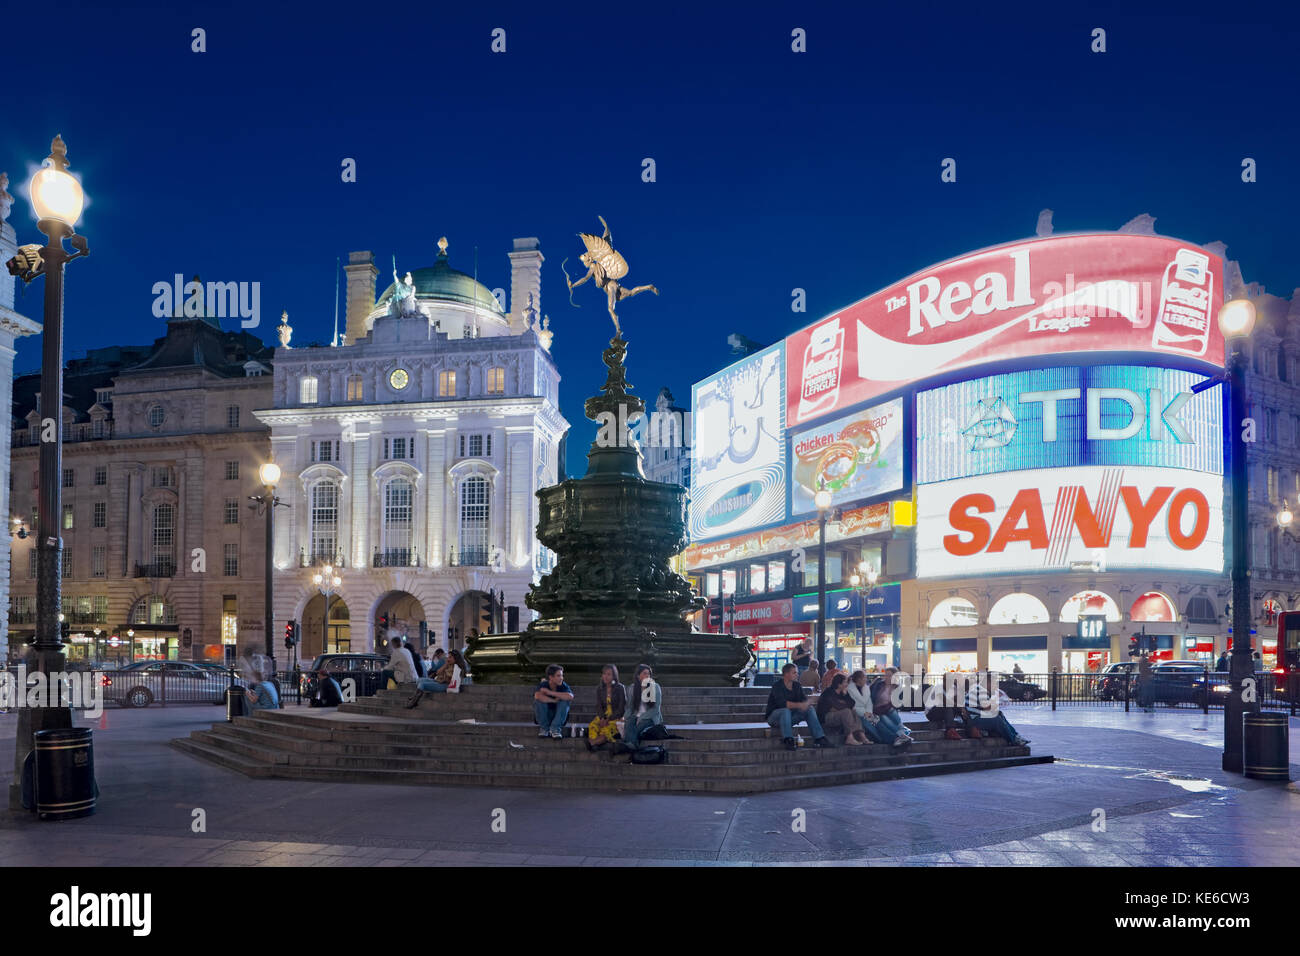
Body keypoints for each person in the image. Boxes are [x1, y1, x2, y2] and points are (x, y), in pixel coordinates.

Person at [765, 663, 831, 750]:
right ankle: (788, 739)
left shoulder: (797, 685)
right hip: (774, 718)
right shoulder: (777, 686)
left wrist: (809, 701)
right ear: (786, 674)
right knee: (785, 710)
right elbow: (783, 704)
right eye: (794, 673)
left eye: (797, 672)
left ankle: (819, 738)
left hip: (790, 717)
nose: (797, 674)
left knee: (809, 709)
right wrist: (801, 705)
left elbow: (803, 701)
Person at [965, 674, 1031, 746]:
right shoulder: (981, 691)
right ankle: (1014, 739)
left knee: (999, 715)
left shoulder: (979, 689)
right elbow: (987, 707)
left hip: (975, 717)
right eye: (994, 683)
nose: (995, 686)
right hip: (973, 719)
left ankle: (1016, 736)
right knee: (997, 720)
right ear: (988, 683)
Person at [848, 669, 908, 746]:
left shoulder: (865, 688)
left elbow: (869, 701)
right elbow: (852, 705)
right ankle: (895, 737)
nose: (866, 679)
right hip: (857, 714)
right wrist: (864, 713)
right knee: (869, 722)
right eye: (864, 677)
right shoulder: (850, 689)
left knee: (878, 722)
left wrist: (869, 712)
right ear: (859, 679)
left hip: (870, 712)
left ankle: (899, 735)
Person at [815, 672, 869, 745]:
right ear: (839, 684)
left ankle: (862, 736)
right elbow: (838, 706)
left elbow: (852, 703)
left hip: (837, 714)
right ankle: (849, 738)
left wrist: (845, 696)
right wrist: (842, 705)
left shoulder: (843, 692)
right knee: (846, 711)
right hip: (825, 718)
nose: (847, 684)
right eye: (845, 682)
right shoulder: (829, 692)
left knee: (853, 711)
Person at [623, 664, 665, 747]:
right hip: (636, 716)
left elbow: (655, 709)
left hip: (650, 718)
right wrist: (625, 717)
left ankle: (630, 746)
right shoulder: (632, 688)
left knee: (636, 728)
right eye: (644, 673)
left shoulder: (655, 687)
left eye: (648, 674)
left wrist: (641, 718)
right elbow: (630, 707)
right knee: (629, 723)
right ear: (638, 676)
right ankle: (633, 747)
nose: (647, 676)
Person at [587, 664, 626, 750]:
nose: (606, 676)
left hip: (616, 718)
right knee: (593, 726)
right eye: (604, 674)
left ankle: (592, 743)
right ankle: (595, 745)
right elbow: (599, 706)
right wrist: (602, 718)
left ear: (614, 676)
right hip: (603, 717)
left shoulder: (620, 688)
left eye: (609, 674)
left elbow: (621, 708)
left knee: (607, 730)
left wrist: (609, 719)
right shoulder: (600, 689)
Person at [869, 667, 913, 743]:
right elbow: (872, 697)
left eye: (889, 675)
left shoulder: (897, 688)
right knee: (883, 717)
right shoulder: (879, 684)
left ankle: (902, 733)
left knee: (891, 711)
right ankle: (902, 734)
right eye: (885, 675)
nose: (886, 677)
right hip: (877, 710)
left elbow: (899, 704)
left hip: (889, 710)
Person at [533, 664, 574, 738]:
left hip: (558, 717)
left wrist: (550, 692)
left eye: (562, 675)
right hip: (545, 716)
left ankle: (555, 729)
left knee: (565, 701)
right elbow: (537, 696)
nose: (561, 678)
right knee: (538, 701)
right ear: (551, 677)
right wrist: (554, 701)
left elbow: (570, 696)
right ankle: (544, 729)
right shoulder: (544, 684)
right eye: (558, 676)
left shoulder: (564, 686)